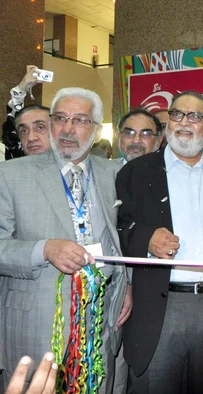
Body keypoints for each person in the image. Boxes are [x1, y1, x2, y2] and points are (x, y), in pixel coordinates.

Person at [0, 87, 131, 393]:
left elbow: (125, 236)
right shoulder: (10, 174)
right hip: (36, 327)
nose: (69, 128)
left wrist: (129, 284)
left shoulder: (115, 174)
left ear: (96, 129)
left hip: (100, 324)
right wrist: (43, 249)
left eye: (81, 120)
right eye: (60, 118)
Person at [116, 91, 203, 393]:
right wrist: (145, 238)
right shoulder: (136, 172)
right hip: (159, 306)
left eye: (195, 116)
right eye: (177, 114)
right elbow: (119, 226)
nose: (184, 123)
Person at [2, 66, 51, 160]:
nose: (31, 138)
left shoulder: (73, 169)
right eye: (24, 131)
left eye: (40, 127)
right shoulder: (15, 168)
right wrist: (20, 89)